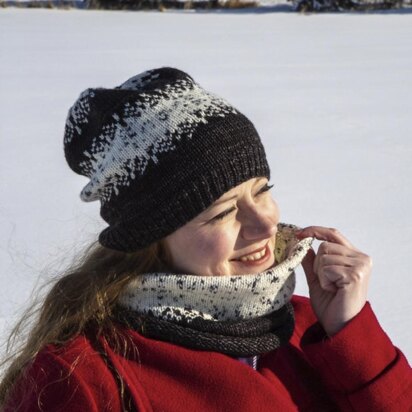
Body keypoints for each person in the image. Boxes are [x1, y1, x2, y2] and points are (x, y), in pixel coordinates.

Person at [1, 67, 411, 412]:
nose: (265, 224)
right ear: (152, 238)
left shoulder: (309, 328)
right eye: (222, 212)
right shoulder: (83, 378)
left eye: (262, 190)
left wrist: (351, 340)